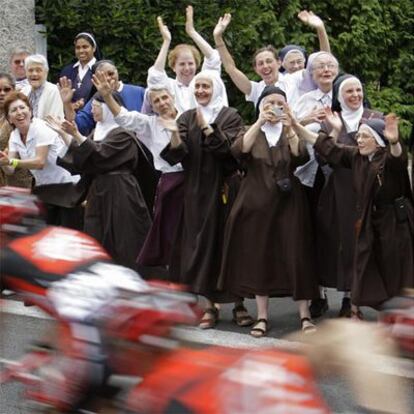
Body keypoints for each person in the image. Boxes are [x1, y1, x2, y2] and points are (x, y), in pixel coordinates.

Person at [291, 107, 414, 311]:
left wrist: (393, 141)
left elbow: (398, 159)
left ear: (378, 140)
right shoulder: (357, 157)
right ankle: (368, 311)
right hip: (369, 221)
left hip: (394, 224)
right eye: (358, 135)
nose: (360, 140)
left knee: (395, 273)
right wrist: (295, 126)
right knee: (367, 265)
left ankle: (399, 318)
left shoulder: (387, 159)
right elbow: (326, 146)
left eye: (365, 136)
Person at [219, 86, 318, 337]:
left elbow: (299, 156)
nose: (275, 106)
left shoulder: (289, 130)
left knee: (296, 254)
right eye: (270, 102)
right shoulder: (251, 131)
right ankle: (262, 316)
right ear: (261, 105)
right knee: (259, 256)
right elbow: (239, 150)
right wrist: (261, 120)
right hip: (256, 202)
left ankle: (304, 315)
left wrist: (291, 126)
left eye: (280, 102)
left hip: (289, 204)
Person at [160, 70, 253, 329]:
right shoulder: (186, 116)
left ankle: (239, 303)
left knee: (229, 246)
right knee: (203, 247)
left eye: (206, 86)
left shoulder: (230, 116)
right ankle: (210, 305)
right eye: (197, 86)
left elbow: (231, 154)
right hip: (197, 193)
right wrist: (174, 134)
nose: (201, 91)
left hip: (225, 189)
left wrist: (206, 128)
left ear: (216, 89)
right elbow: (177, 155)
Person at [48, 92, 152, 272]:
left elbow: (100, 154)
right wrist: (65, 134)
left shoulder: (124, 134)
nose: (92, 110)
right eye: (92, 107)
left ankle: (132, 283)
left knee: (125, 238)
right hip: (98, 192)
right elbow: (82, 159)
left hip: (121, 190)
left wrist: (76, 134)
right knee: (96, 236)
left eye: (96, 106)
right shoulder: (97, 132)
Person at [92, 71, 184, 268]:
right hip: (169, 182)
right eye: (156, 100)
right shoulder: (150, 124)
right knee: (169, 234)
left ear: (172, 97)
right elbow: (124, 118)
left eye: (164, 97)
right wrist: (108, 96)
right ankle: (175, 280)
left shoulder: (189, 117)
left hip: (194, 181)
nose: (161, 103)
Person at [313, 74, 383, 318]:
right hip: (340, 191)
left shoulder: (375, 119)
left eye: (358, 90)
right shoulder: (332, 121)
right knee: (343, 244)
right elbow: (322, 156)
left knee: (365, 245)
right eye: (349, 92)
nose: (355, 95)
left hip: (368, 190)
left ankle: (361, 298)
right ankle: (346, 298)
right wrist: (335, 130)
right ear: (339, 97)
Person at [213, 11, 331, 108]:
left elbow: (324, 61)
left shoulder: (295, 79)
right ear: (256, 69)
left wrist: (320, 29)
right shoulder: (256, 89)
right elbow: (231, 69)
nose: (265, 66)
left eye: (269, 61)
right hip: (267, 135)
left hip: (296, 133)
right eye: (260, 63)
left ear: (279, 63)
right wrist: (218, 38)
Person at [0, 92, 80, 228]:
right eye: (14, 110)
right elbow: (10, 170)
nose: (19, 112)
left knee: (68, 232)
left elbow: (39, 162)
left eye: (22, 108)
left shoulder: (41, 127)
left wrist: (11, 162)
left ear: (30, 111)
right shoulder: (14, 136)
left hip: (68, 188)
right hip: (47, 191)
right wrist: (3, 162)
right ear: (9, 118)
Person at [147, 5, 227, 115]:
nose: (187, 68)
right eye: (181, 64)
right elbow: (155, 75)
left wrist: (192, 32)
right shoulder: (169, 86)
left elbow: (213, 58)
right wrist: (166, 41)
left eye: (190, 63)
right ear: (173, 67)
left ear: (197, 65)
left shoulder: (204, 81)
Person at [61, 60, 146, 136]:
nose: (108, 78)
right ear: (95, 80)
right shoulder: (96, 99)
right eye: (102, 77)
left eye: (111, 74)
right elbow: (79, 126)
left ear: (117, 72)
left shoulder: (139, 92)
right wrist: (67, 103)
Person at [0, 73, 32, 188]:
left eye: (6, 89)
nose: (2, 93)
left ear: (14, 90)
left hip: (18, 182)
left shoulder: (19, 117)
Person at [59, 32, 101, 107]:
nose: (81, 51)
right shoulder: (67, 71)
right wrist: (72, 105)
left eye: (85, 47)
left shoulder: (101, 69)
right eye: (78, 48)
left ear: (94, 48)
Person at [21, 54, 64, 119]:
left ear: (46, 72)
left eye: (38, 70)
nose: (34, 74)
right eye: (30, 70)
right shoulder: (24, 91)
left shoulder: (53, 91)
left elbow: (54, 121)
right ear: (26, 73)